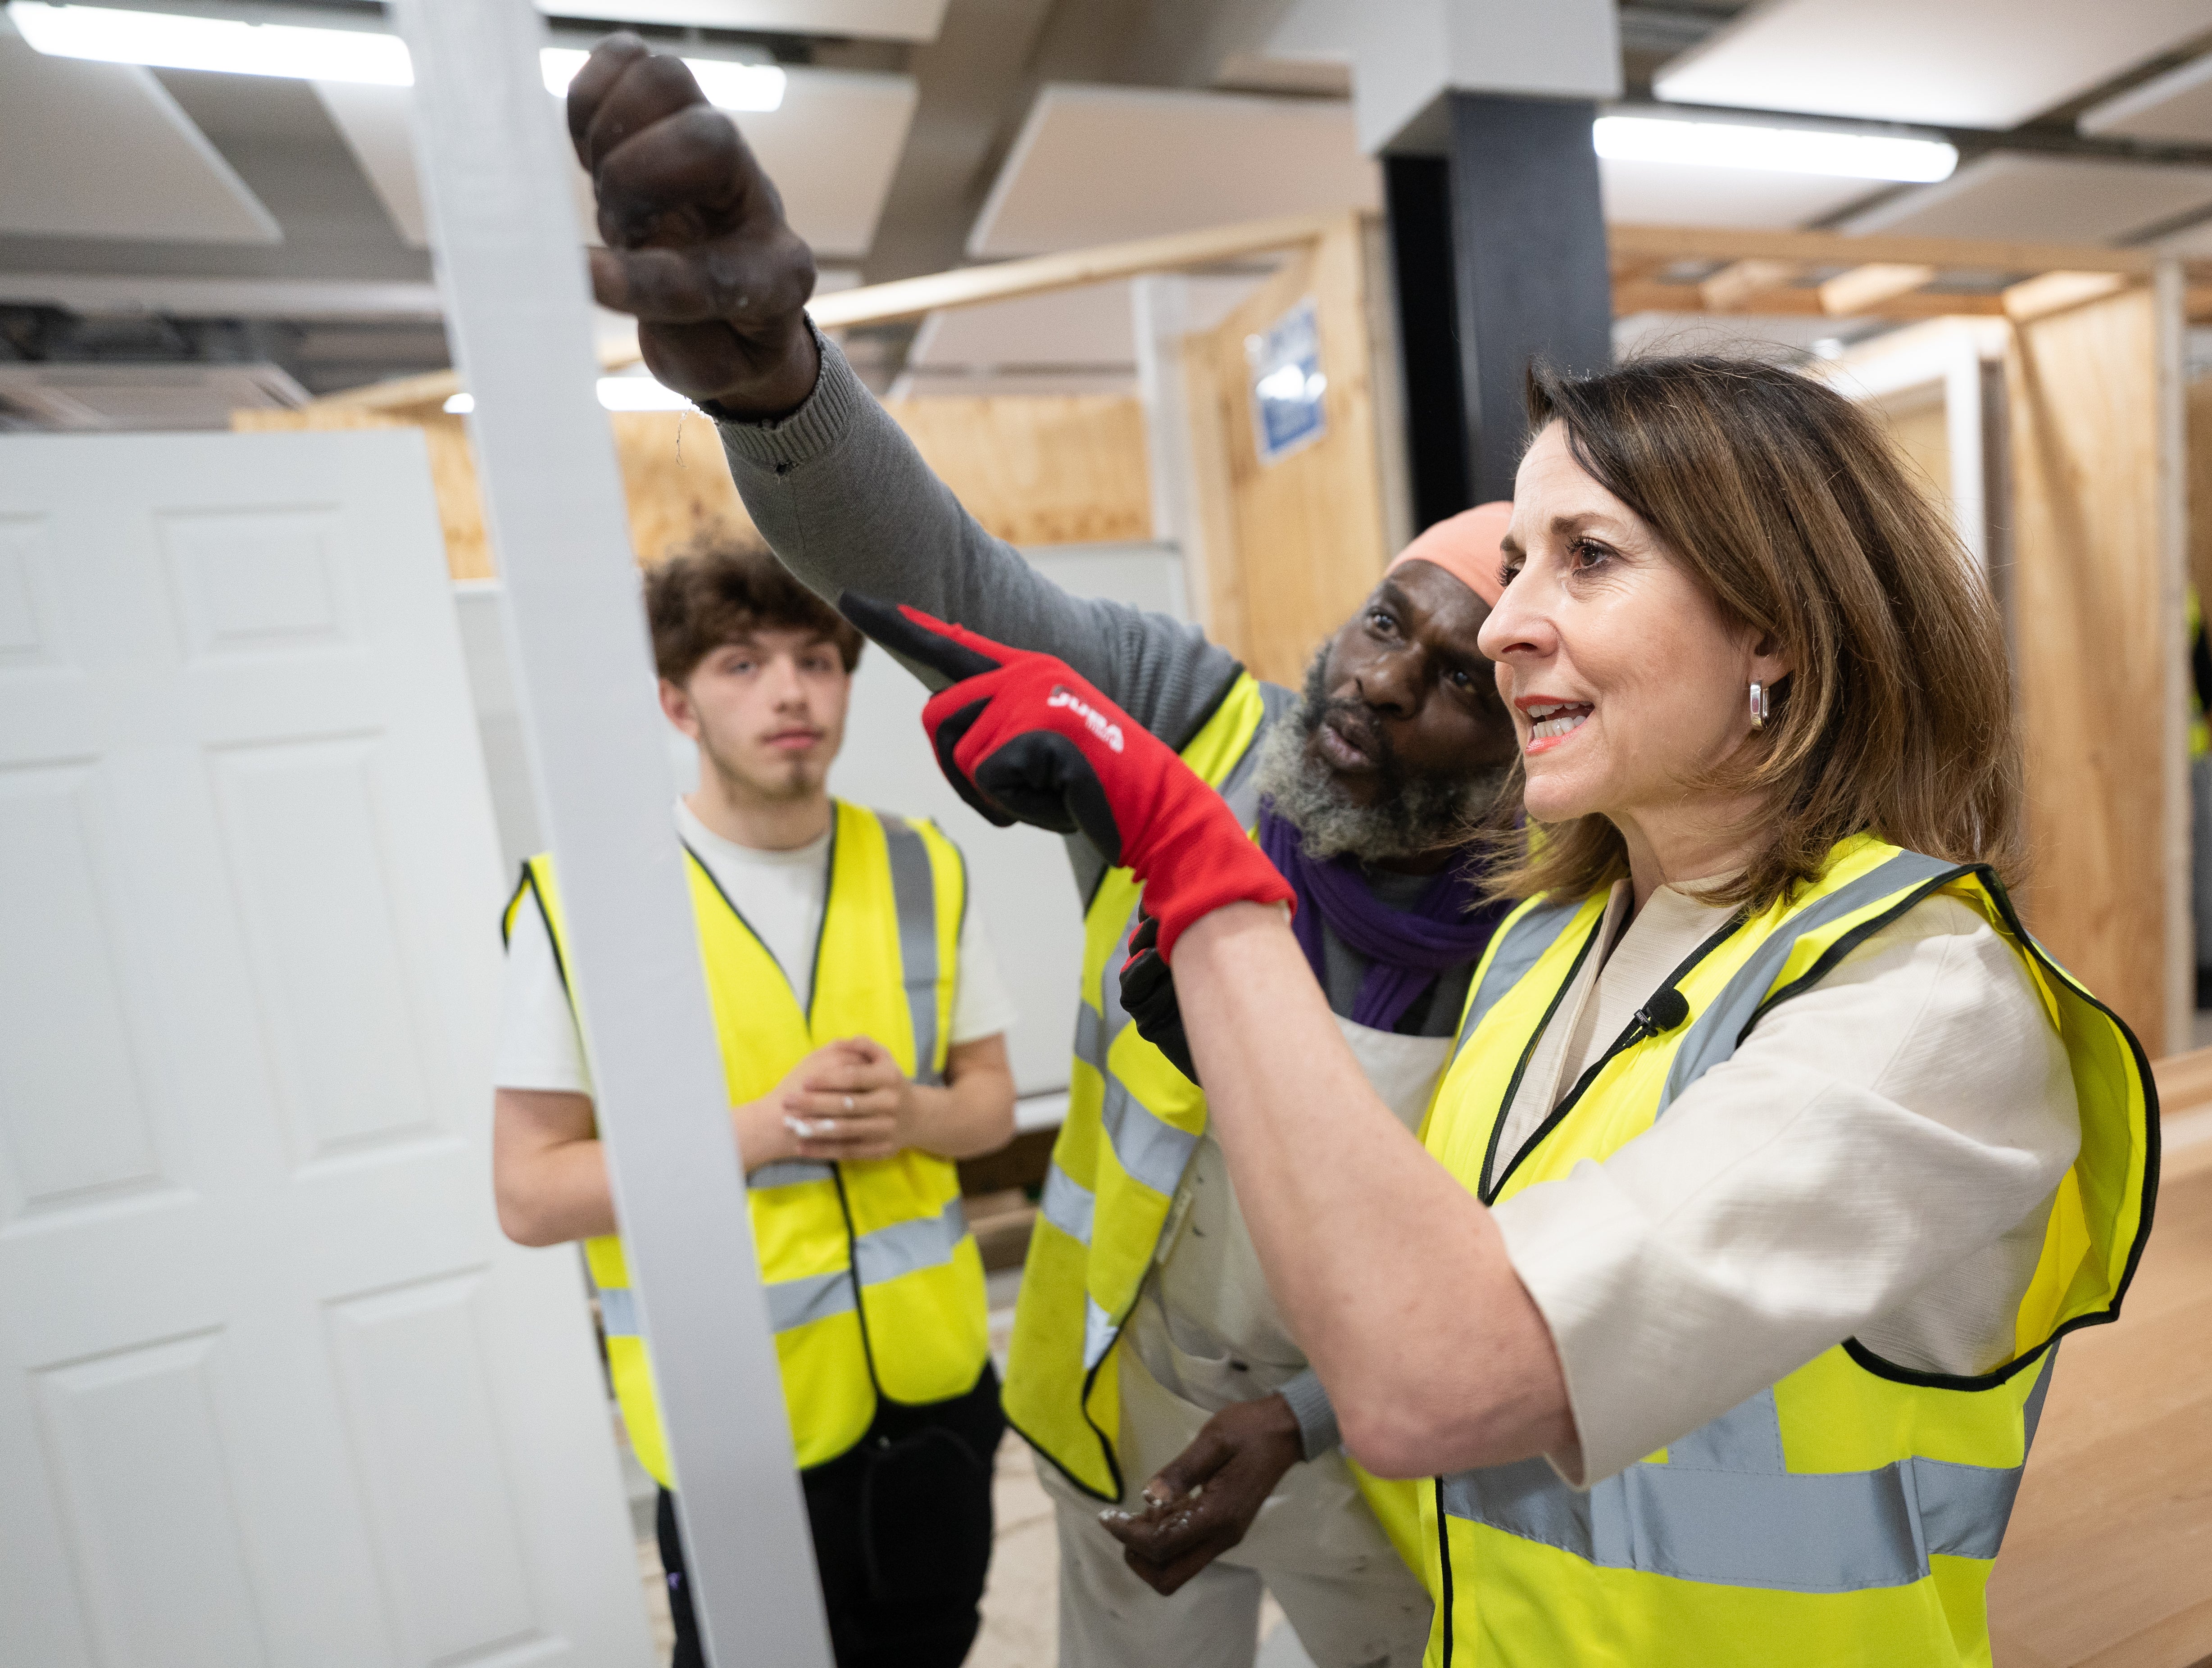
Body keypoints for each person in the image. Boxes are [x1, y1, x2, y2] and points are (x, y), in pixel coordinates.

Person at [851, 352, 2160, 1663]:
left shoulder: (1925, 1007)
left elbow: (1437, 1375)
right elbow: (1436, 1264)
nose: (1499, 626)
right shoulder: (1547, 943)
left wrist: (1204, 874)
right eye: (1520, 561)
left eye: (1585, 558)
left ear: (1773, 628)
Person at [561, 36, 1509, 1667]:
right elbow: (930, 577)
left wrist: (1301, 1413)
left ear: (1533, 735)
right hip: (1109, 1426)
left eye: (1459, 684)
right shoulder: (1192, 727)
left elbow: (1520, 1253)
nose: (1373, 683)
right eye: (1380, 623)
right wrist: (779, 383)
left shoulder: (1542, 927)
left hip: (1372, 1464)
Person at [491, 541, 1018, 1668]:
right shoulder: (584, 904)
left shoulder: (921, 865)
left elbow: (986, 1106)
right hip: (736, 1430)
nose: (791, 692)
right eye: (743, 664)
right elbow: (531, 1194)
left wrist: (911, 1119)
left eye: (817, 660)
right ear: (677, 702)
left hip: (937, 1399)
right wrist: (763, 1130)